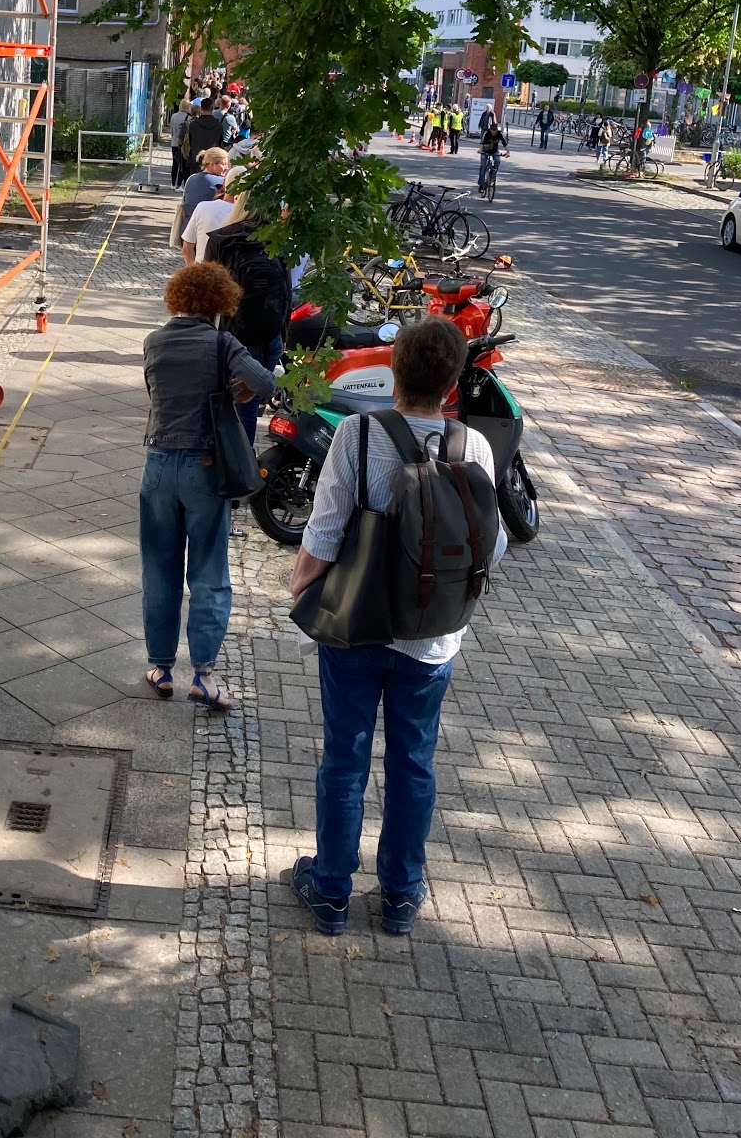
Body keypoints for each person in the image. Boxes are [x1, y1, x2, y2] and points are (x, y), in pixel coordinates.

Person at [286, 318, 507, 936]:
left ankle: (331, 892)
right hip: (432, 635)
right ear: (452, 381)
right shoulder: (474, 446)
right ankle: (401, 895)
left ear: (393, 370)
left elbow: (325, 530)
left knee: (344, 759)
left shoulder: (357, 434)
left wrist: (300, 587)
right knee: (414, 762)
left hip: (355, 624)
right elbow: (493, 543)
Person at [140, 263, 278, 710]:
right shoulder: (222, 343)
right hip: (203, 467)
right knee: (209, 573)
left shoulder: (154, 341)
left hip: (158, 464)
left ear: (176, 298)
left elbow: (157, 393)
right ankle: (203, 675)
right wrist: (238, 389)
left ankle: (161, 668)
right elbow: (266, 381)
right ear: (222, 301)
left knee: (159, 570)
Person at [205, 197, 292, 446]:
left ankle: (230, 459)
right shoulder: (276, 239)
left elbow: (208, 293)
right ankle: (244, 459)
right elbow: (287, 292)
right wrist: (283, 336)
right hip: (269, 337)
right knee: (249, 405)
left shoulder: (221, 239)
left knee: (222, 403)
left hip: (233, 336)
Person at [182, 166, 243, 264]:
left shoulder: (203, 207)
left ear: (224, 184)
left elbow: (187, 248)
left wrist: (193, 271)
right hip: (231, 272)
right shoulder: (247, 216)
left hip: (203, 269)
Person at [181, 149, 229, 233]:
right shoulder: (221, 182)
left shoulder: (191, 178)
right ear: (212, 165)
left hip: (186, 229)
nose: (227, 168)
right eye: (224, 164)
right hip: (208, 230)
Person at [181, 98, 225, 178]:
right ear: (212, 109)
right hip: (212, 161)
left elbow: (191, 142)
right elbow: (220, 143)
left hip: (196, 159)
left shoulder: (193, 125)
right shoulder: (218, 126)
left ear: (201, 109)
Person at [478, 116, 507, 193]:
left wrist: (508, 152)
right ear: (490, 129)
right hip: (485, 151)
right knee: (483, 167)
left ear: (497, 130)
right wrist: (480, 150)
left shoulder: (499, 134)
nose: (493, 132)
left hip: (494, 151)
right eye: (492, 130)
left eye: (495, 130)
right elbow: (482, 142)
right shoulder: (487, 133)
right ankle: (481, 184)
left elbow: (504, 143)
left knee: (497, 161)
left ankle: (492, 176)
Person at [169, 99, 192, 189]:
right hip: (183, 145)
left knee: (175, 163)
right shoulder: (188, 118)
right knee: (182, 165)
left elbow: (171, 130)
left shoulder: (173, 116)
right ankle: (178, 185)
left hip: (174, 142)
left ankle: (172, 183)